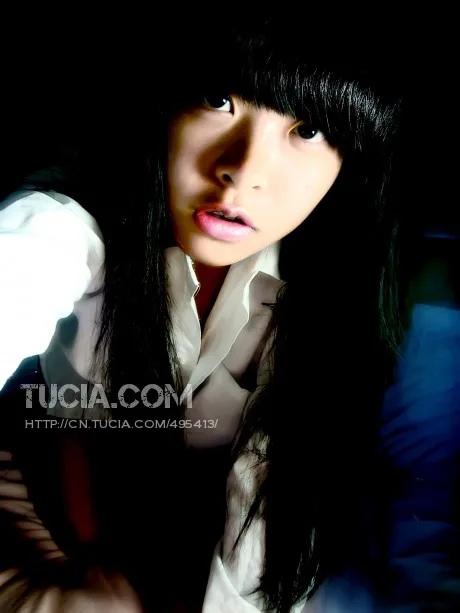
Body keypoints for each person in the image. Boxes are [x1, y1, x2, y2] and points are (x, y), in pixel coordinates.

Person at [0, 17, 403, 613]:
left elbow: (267, 540)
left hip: (178, 554)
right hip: (35, 511)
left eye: (309, 129)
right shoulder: (62, 227)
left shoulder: (323, 305)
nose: (243, 169)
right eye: (219, 101)